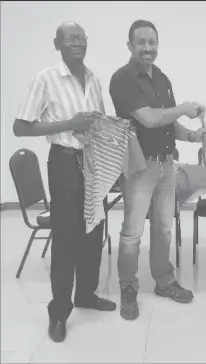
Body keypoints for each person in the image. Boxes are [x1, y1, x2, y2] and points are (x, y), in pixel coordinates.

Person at [13, 22, 116, 343]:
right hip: (63, 162)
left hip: (92, 163)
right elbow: (21, 127)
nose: (76, 43)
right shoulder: (45, 79)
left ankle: (86, 294)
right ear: (56, 44)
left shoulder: (93, 79)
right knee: (67, 236)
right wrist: (70, 124)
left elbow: (95, 120)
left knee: (93, 229)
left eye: (81, 39)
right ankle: (59, 310)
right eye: (69, 39)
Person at [109, 19, 206, 320]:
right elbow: (149, 118)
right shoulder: (123, 79)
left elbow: (167, 121)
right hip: (140, 167)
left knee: (164, 227)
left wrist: (190, 135)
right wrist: (183, 108)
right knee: (132, 233)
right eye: (141, 42)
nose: (148, 48)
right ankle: (128, 288)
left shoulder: (162, 77)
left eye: (152, 42)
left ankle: (164, 281)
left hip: (167, 164)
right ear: (130, 46)